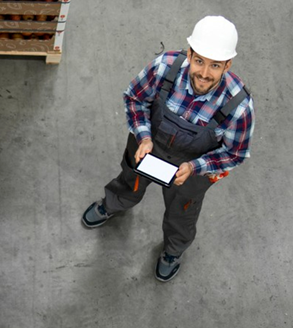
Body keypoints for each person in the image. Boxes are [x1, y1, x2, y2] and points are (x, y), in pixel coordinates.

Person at [82, 16, 255, 282]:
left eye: (215, 65)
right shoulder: (164, 68)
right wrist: (144, 137)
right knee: (130, 181)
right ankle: (113, 204)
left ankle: (173, 251)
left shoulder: (239, 106)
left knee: (182, 211)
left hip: (190, 169)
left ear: (228, 65)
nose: (204, 74)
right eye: (199, 61)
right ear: (190, 53)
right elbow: (135, 99)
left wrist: (195, 167)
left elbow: (234, 153)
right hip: (148, 148)